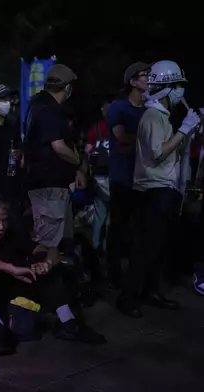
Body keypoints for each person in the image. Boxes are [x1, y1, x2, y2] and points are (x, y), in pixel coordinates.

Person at [0, 194, 106, 356]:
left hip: (10, 290)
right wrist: (10, 268)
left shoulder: (12, 236)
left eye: (4, 221)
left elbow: (48, 250)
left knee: (47, 269)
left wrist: (45, 263)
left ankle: (68, 322)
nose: (1, 227)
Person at [116, 60, 200, 318]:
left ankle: (150, 291)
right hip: (153, 191)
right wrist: (184, 129)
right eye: (176, 86)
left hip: (163, 189)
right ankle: (127, 298)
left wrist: (188, 133)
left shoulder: (160, 115)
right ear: (165, 88)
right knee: (144, 249)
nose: (180, 91)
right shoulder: (153, 115)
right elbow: (158, 153)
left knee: (157, 247)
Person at [23, 64, 86, 256]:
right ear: (67, 88)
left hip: (45, 182)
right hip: (49, 184)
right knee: (48, 242)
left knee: (55, 240)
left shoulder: (36, 105)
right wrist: (78, 161)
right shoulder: (49, 110)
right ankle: (43, 280)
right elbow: (59, 147)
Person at [106, 62, 150, 287]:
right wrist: (149, 141)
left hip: (144, 178)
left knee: (140, 229)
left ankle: (135, 274)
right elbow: (121, 137)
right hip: (123, 178)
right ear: (133, 82)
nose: (150, 79)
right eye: (145, 75)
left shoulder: (149, 109)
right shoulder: (119, 107)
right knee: (119, 227)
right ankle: (112, 272)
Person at [85, 97, 113, 254]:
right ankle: (108, 247)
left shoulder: (95, 128)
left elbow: (88, 151)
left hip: (99, 177)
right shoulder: (120, 128)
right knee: (112, 215)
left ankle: (96, 245)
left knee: (99, 213)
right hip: (115, 176)